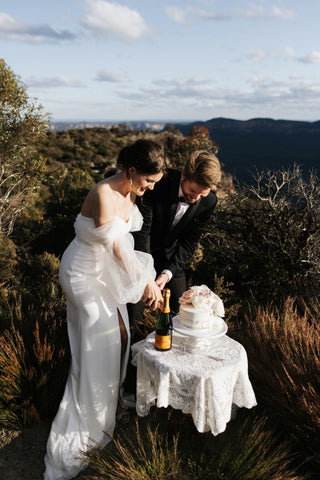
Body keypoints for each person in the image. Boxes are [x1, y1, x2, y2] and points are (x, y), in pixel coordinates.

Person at [43, 139, 166, 480]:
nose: (150, 188)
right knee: (100, 344)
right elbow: (114, 246)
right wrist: (145, 283)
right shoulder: (103, 193)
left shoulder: (130, 192)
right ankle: (90, 419)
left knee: (122, 336)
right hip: (82, 274)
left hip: (106, 273)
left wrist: (147, 279)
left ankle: (110, 405)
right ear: (131, 172)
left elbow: (127, 243)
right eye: (148, 181)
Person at [128, 150, 222, 339]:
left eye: (202, 194)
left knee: (183, 316)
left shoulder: (208, 201)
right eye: (193, 191)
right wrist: (147, 278)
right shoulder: (158, 183)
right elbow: (141, 232)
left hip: (170, 259)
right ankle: (131, 359)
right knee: (133, 313)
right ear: (184, 175)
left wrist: (167, 273)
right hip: (138, 253)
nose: (196, 198)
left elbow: (189, 243)